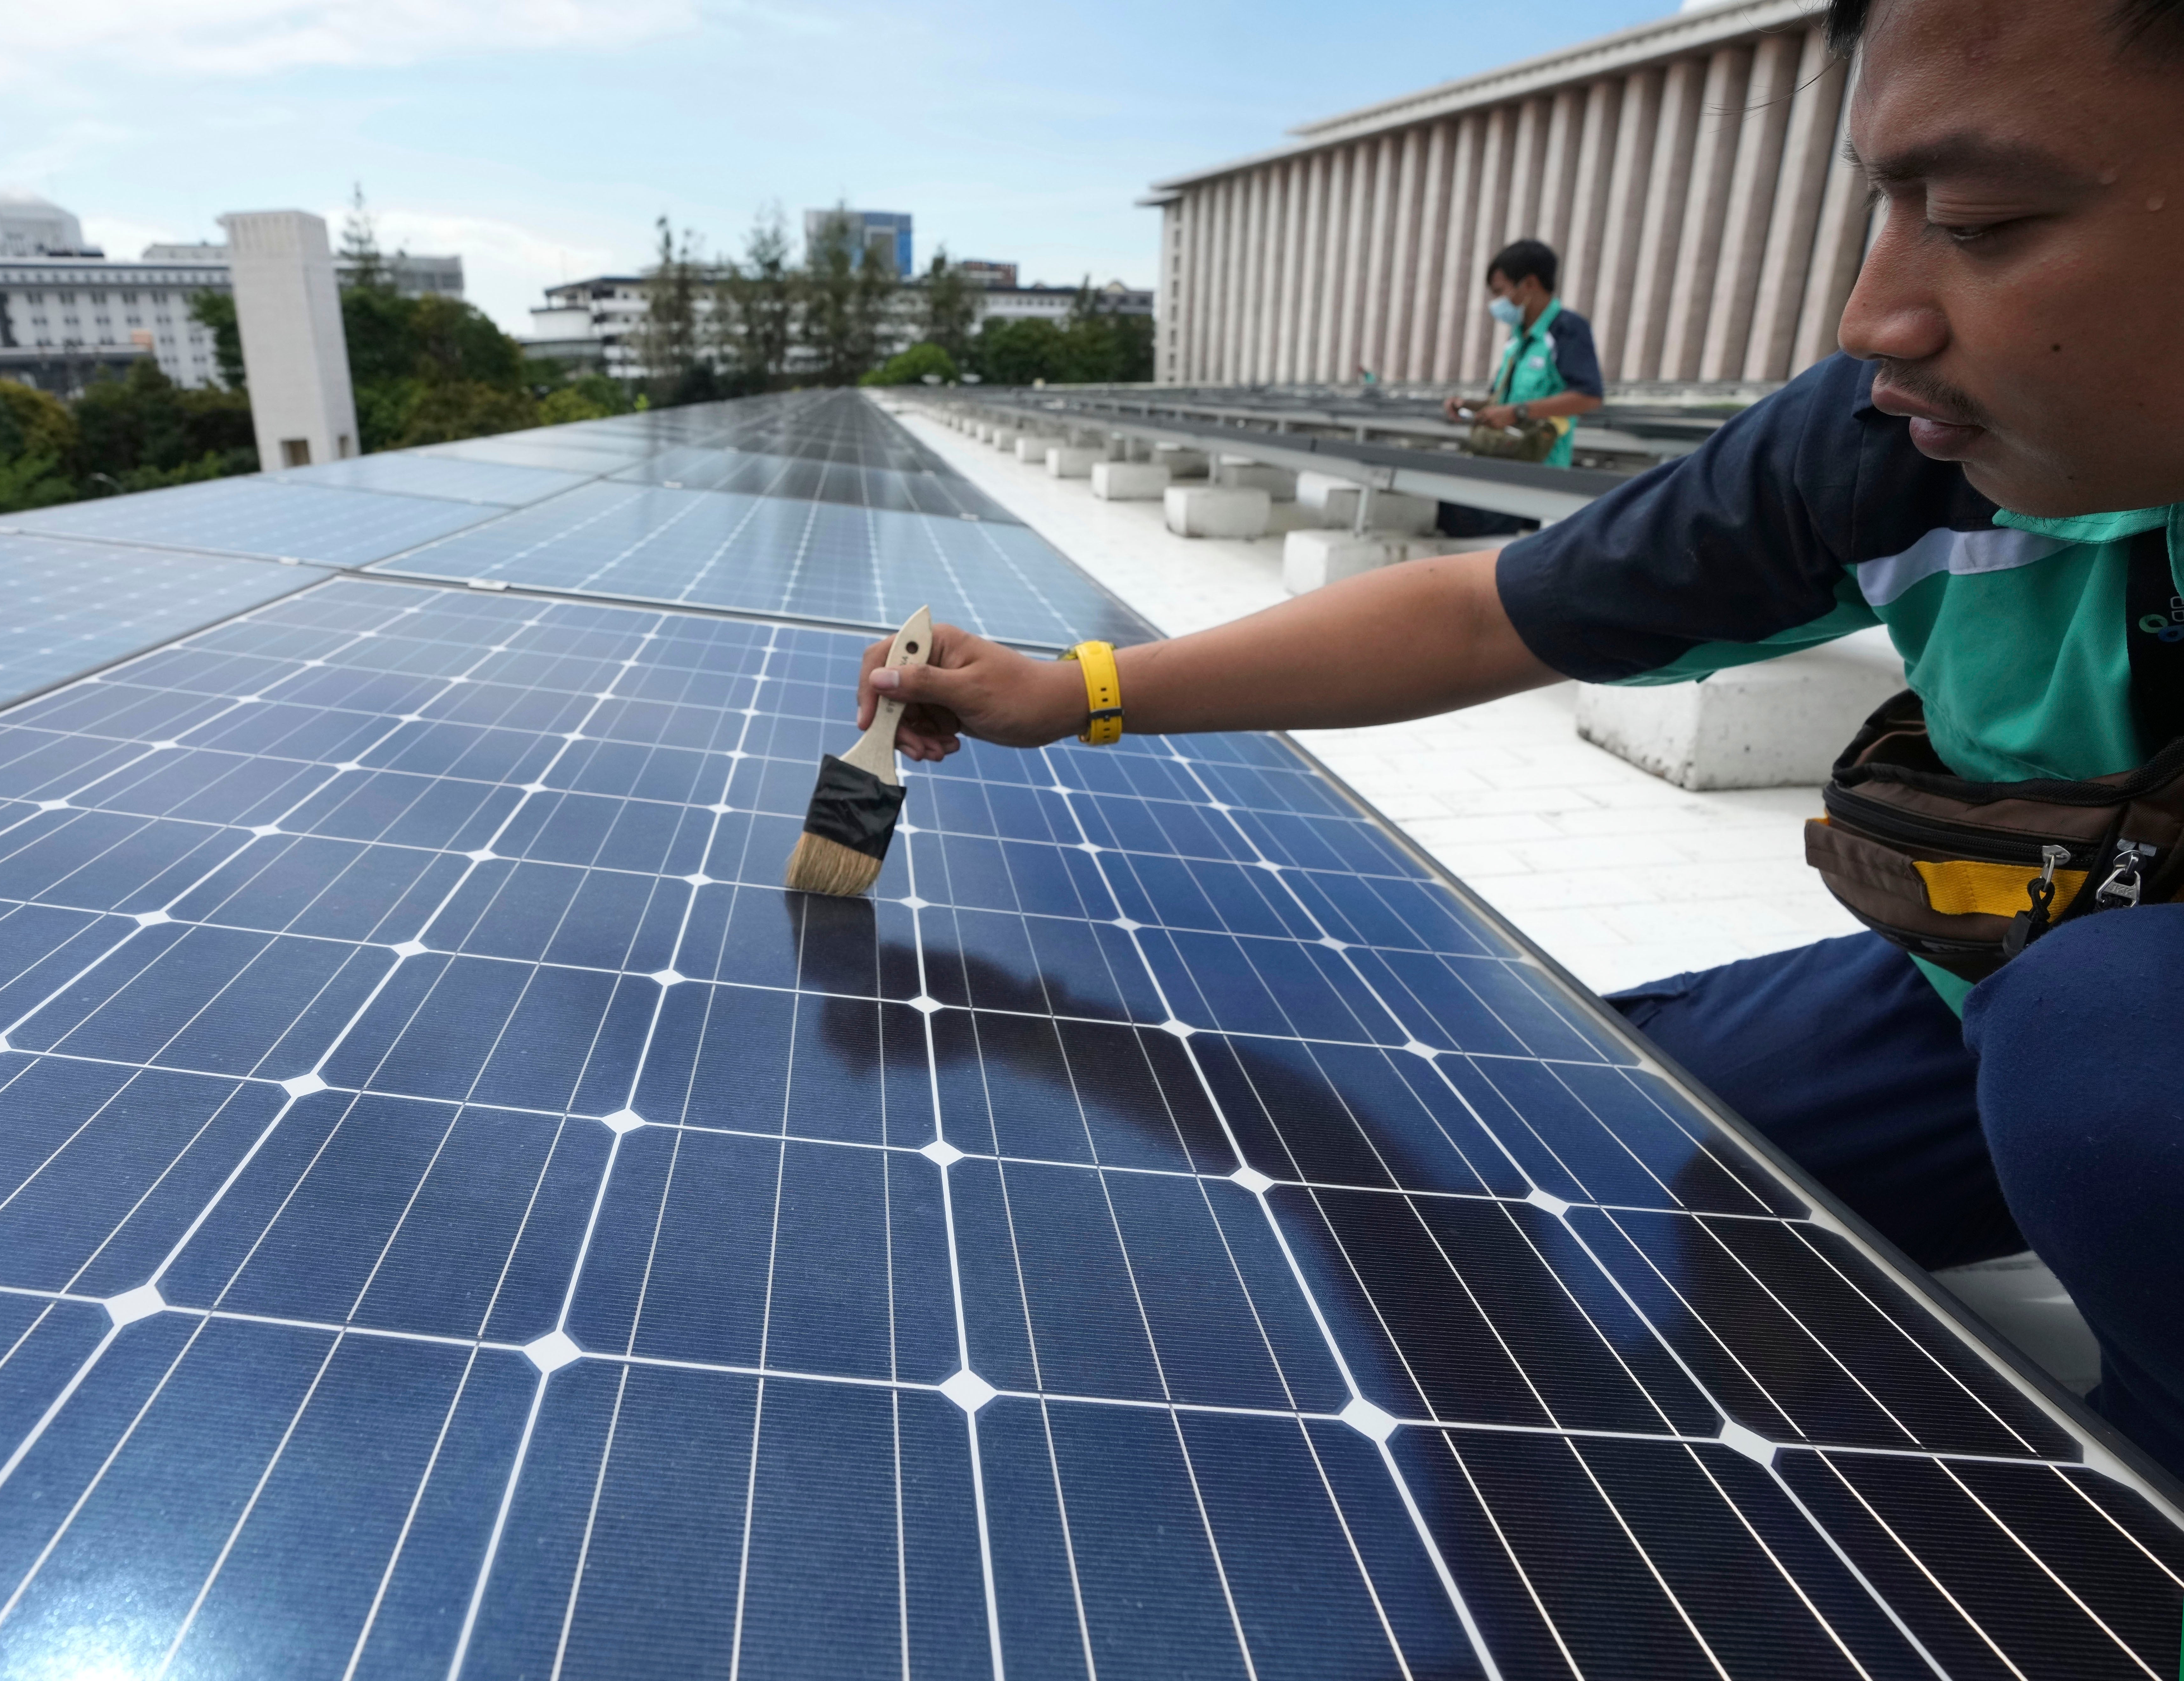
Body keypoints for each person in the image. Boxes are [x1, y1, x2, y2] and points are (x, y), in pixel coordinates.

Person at [855, 0, 2184, 1474]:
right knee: (1597, 1118)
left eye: (1977, 218)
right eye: (1877, 204)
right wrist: (1071, 690)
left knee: (2106, 1044)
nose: (1871, 316)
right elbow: (1484, 608)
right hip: (1989, 987)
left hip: (2120, 1023)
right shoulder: (1887, 444)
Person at [1439, 237, 1605, 470]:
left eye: (1500, 292)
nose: (1496, 303)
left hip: (1541, 467)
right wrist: (1469, 406)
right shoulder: (1517, 338)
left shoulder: (1566, 330)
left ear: (1529, 283)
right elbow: (1502, 401)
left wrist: (1517, 413)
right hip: (1501, 458)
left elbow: (1589, 397)